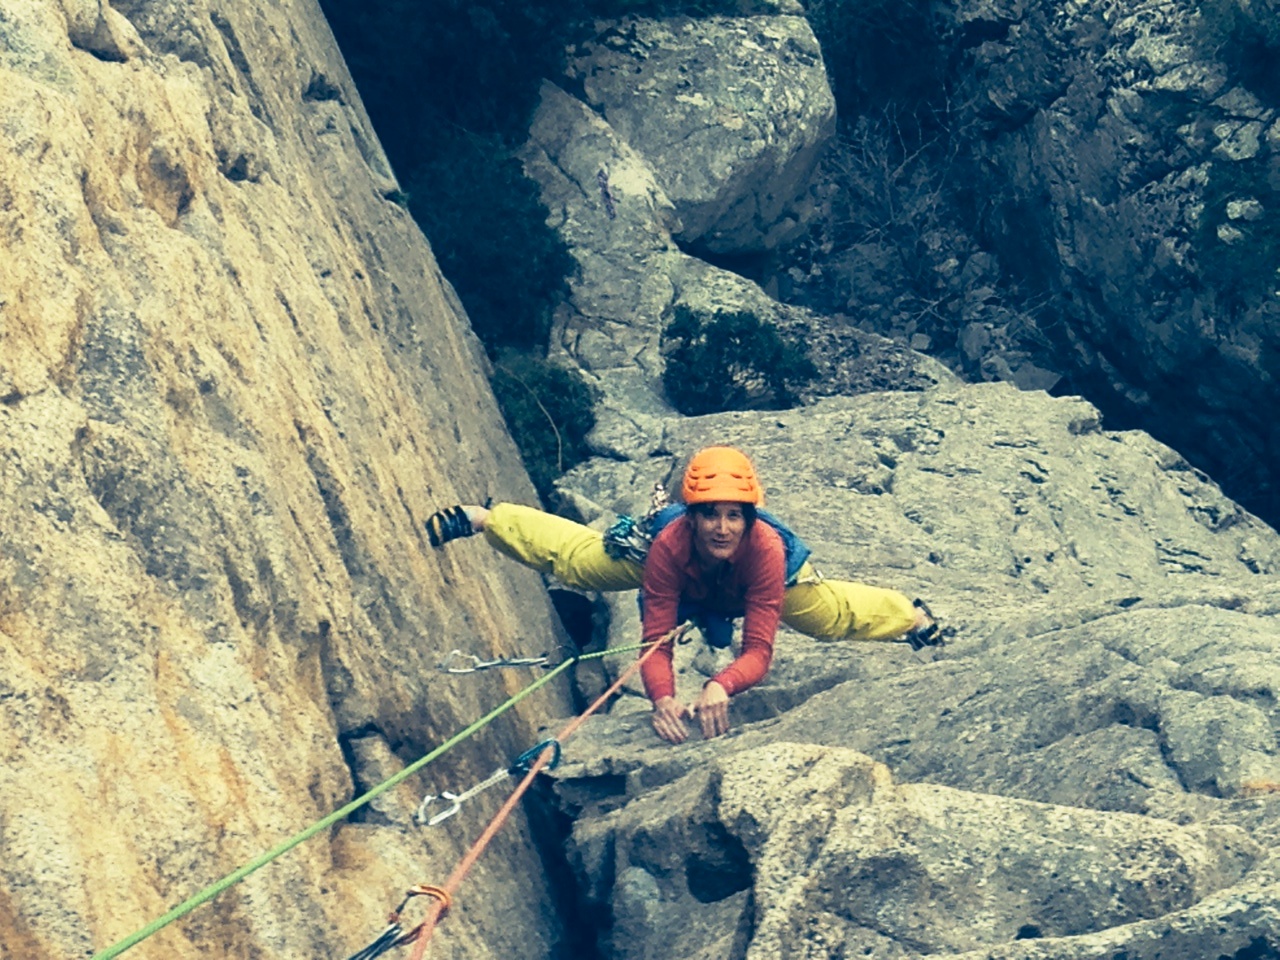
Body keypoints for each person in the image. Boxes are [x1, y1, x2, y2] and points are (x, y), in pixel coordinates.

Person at [425, 446, 940, 744]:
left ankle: (909, 616)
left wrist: (721, 684)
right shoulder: (670, 546)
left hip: (746, 583)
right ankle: (486, 519)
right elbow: (656, 639)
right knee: (581, 563)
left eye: (734, 514)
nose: (721, 527)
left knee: (829, 617)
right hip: (680, 572)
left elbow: (758, 651)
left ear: (750, 518)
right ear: (690, 516)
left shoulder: (765, 551)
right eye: (709, 514)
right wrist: (664, 699)